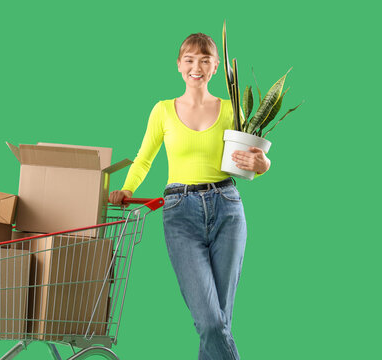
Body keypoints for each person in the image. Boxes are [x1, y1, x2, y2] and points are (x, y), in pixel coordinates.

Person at [108, 33, 270, 360]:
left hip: (227, 209)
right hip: (180, 215)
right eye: (190, 59)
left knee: (219, 322)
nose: (197, 66)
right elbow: (144, 158)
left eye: (205, 59)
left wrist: (263, 163)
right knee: (211, 322)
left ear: (215, 68)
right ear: (179, 66)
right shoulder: (163, 111)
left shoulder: (232, 110)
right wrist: (127, 189)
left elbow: (252, 159)